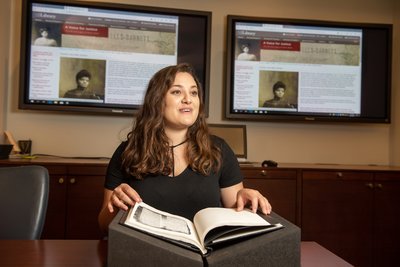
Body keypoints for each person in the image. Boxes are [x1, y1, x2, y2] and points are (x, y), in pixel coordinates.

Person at [98, 63, 272, 234]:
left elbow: (235, 216)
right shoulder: (128, 151)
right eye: (176, 92)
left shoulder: (219, 150)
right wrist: (113, 205)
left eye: (194, 92)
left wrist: (247, 202)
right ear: (157, 101)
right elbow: (104, 226)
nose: (188, 99)